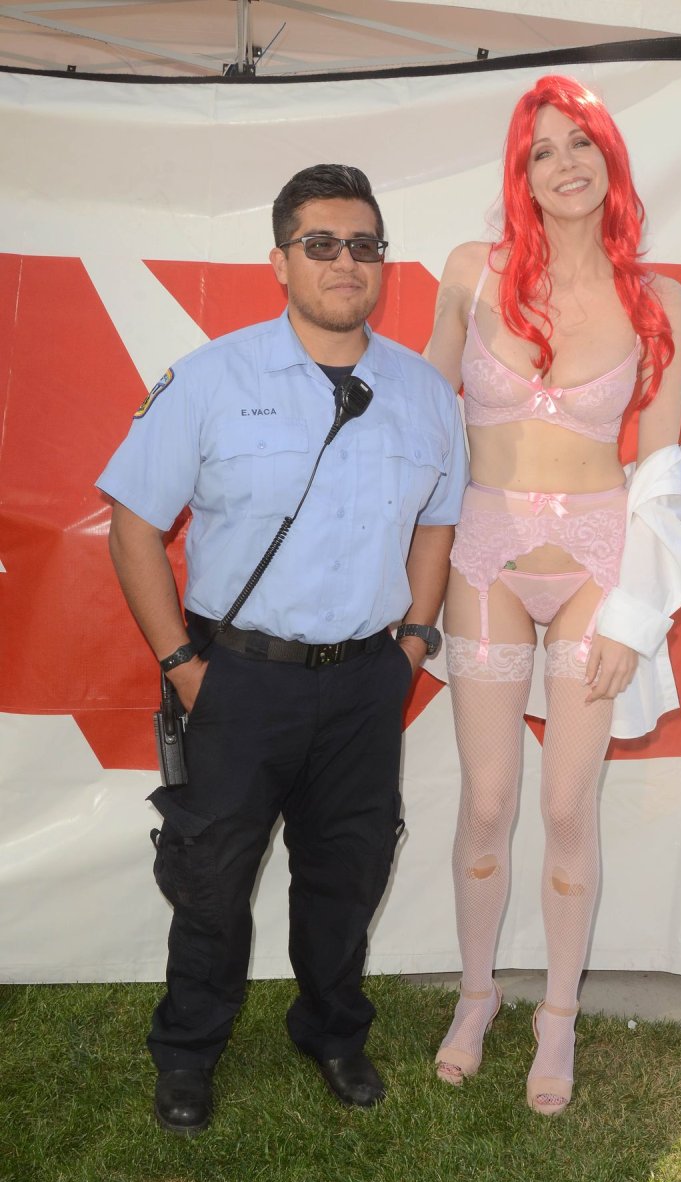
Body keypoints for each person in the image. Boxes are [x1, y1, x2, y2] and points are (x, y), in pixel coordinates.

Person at [97, 164, 467, 1133]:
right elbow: (133, 524)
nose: (345, 262)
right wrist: (181, 664)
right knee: (210, 879)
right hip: (236, 681)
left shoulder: (424, 393)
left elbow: (437, 523)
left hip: (365, 682)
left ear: (382, 262)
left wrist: (413, 641)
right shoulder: (211, 378)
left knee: (349, 874)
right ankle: (188, 1050)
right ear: (279, 261)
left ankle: (333, 1031)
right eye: (321, 244)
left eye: (363, 245)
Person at [425, 76, 681, 1114]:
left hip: (597, 559)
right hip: (484, 556)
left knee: (563, 803)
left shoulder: (658, 299)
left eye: (579, 142)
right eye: (541, 150)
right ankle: (476, 995)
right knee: (489, 798)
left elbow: (661, 468)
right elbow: (421, 415)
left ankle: (557, 1014)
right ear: (521, 173)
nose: (564, 164)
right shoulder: (471, 271)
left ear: (608, 158)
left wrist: (636, 614)